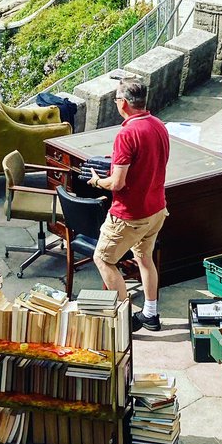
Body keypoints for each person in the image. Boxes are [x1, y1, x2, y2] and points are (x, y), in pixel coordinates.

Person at [86, 78, 170, 332]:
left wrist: (98, 181)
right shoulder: (158, 125)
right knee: (145, 258)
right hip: (156, 209)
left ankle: (124, 320)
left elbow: (118, 183)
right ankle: (150, 314)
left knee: (103, 259)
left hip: (130, 214)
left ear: (123, 103)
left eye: (115, 100)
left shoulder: (126, 133)